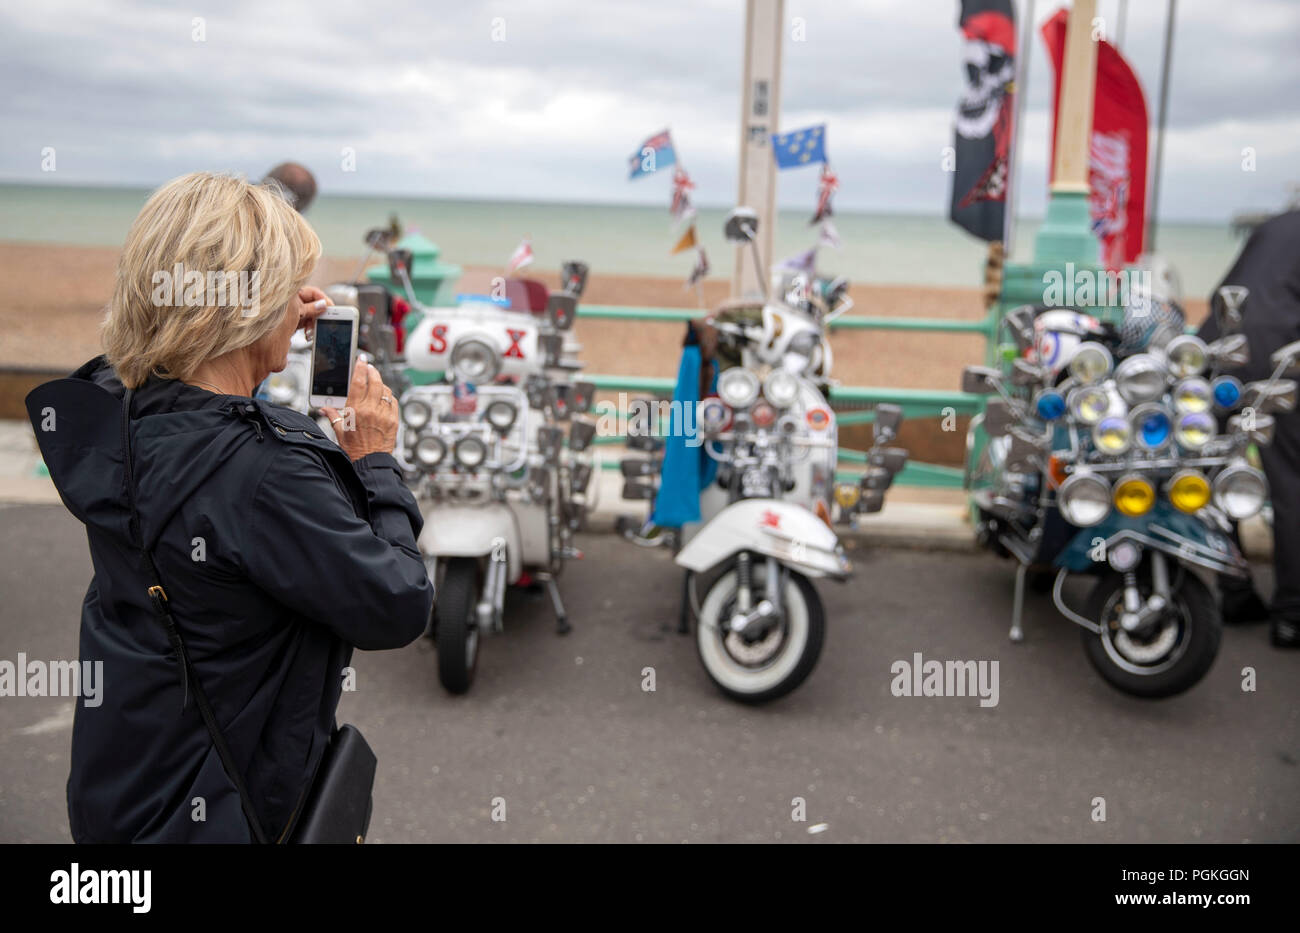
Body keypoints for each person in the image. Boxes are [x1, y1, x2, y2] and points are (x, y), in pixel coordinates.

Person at [26, 172, 433, 842]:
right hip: (225, 811)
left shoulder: (113, 413)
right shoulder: (263, 474)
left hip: (126, 792)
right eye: (284, 287)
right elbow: (397, 602)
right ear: (243, 308)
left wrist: (251, 332)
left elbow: (147, 364)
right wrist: (376, 460)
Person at [1197, 209, 1300, 648]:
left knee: (1217, 469)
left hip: (1219, 346)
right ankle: (1292, 614)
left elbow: (1224, 291)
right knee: (1290, 484)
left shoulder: (1275, 226)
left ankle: (1234, 590)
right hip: (1279, 355)